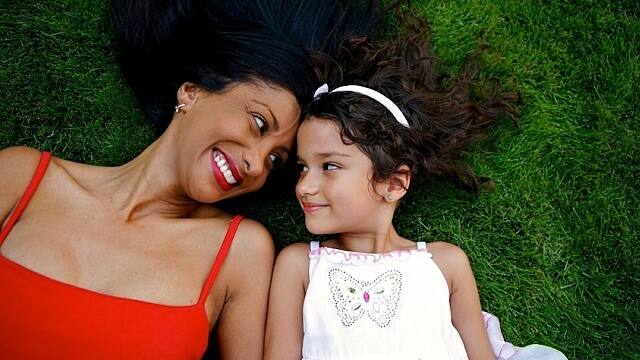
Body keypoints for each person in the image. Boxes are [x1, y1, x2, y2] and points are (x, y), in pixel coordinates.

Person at [0, 0, 376, 358]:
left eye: (276, 160)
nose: (256, 164)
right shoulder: (22, 178)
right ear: (192, 92)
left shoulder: (240, 252)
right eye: (259, 123)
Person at [265, 17, 567, 360]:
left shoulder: (444, 263)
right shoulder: (299, 266)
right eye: (302, 167)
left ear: (394, 183)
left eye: (329, 166)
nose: (305, 185)